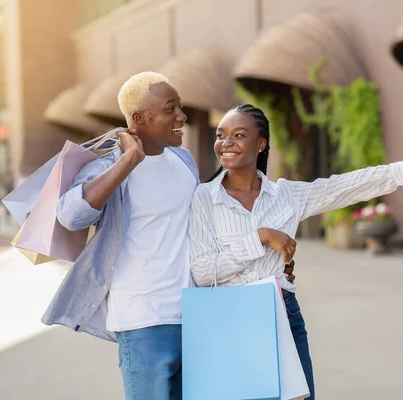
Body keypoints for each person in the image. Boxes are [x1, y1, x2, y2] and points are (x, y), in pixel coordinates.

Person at [41, 73, 295, 400]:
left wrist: (266, 258)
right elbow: (71, 215)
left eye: (181, 107)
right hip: (143, 320)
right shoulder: (109, 167)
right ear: (139, 119)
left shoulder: (183, 160)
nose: (182, 117)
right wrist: (130, 160)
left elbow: (207, 226)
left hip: (194, 316)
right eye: (170, 109)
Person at [188, 104, 403, 400]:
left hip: (281, 313)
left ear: (261, 143)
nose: (226, 143)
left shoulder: (286, 196)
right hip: (229, 319)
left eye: (238, 135)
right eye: (221, 135)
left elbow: (343, 187)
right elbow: (202, 272)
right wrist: (262, 237)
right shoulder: (204, 198)